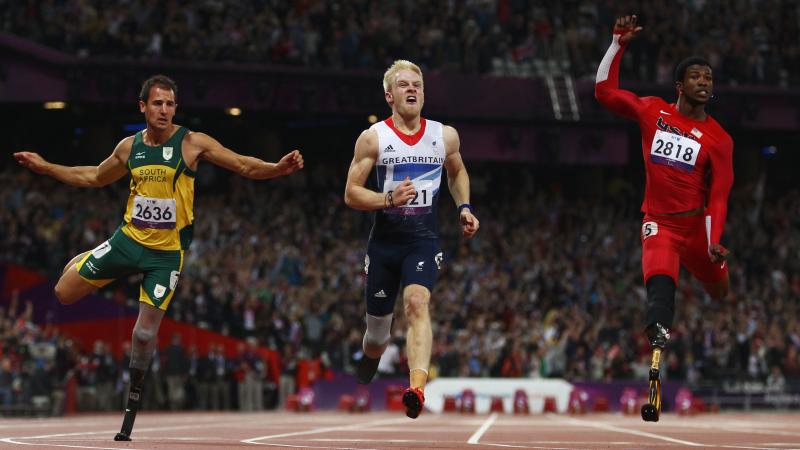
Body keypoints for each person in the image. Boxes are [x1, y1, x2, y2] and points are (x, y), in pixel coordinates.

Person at [14, 74, 303, 439]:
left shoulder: (192, 143)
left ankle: (134, 392)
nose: (164, 110)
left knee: (144, 334)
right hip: (127, 243)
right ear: (143, 107)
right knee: (63, 293)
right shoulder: (128, 147)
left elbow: (243, 164)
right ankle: (92, 252)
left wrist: (277, 168)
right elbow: (93, 176)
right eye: (157, 103)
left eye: (169, 104)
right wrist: (47, 168)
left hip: (165, 256)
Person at [595, 16, 734, 422]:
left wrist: (714, 239)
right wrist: (617, 44)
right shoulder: (652, 112)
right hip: (659, 224)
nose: (704, 82)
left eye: (708, 77)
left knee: (721, 291)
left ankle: (696, 286)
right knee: (660, 287)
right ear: (680, 85)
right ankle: (657, 340)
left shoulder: (720, 141)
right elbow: (603, 92)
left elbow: (720, 196)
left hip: (697, 230)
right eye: (695, 76)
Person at [344, 60, 479, 419]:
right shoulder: (373, 138)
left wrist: (464, 206)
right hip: (384, 245)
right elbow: (351, 194)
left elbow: (458, 170)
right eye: (403, 85)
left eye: (417, 84)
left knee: (417, 302)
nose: (412, 89)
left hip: (423, 240)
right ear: (389, 95)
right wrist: (387, 199)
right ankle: (371, 357)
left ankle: (416, 388)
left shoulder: (443, 135)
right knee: (377, 335)